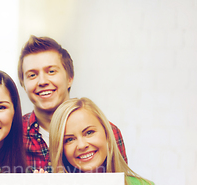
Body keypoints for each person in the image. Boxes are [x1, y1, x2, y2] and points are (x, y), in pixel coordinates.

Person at [18, 36, 128, 172]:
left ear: (70, 78)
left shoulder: (108, 133)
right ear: (23, 85)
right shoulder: (14, 135)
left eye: (51, 71)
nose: (42, 81)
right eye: (32, 75)